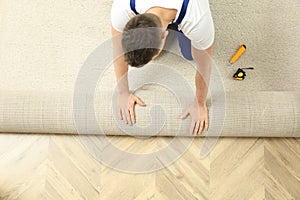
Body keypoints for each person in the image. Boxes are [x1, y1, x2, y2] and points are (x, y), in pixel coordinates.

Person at [111, 0, 215, 135]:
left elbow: (204, 67)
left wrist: (200, 104)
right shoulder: (122, 7)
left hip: (184, 10)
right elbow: (118, 49)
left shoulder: (198, 19)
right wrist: (122, 92)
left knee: (190, 54)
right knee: (143, 51)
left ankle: (174, 29)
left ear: (164, 35)